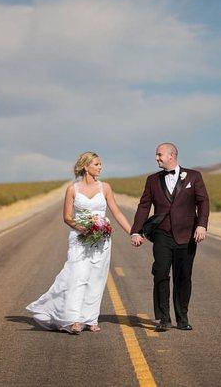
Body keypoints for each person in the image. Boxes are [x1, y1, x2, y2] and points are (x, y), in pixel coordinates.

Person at [26, 152, 132, 334]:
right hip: (79, 239)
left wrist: (133, 232)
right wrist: (83, 228)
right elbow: (67, 217)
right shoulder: (72, 189)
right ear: (86, 166)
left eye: (100, 164)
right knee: (77, 276)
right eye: (97, 164)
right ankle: (73, 319)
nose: (100, 167)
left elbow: (117, 213)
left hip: (101, 240)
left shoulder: (105, 187)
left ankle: (90, 319)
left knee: (96, 278)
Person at [131, 143, 210, 332]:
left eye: (159, 155)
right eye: (157, 155)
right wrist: (136, 231)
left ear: (171, 155)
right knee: (160, 274)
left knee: (183, 277)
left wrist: (201, 225)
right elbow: (144, 206)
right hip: (162, 234)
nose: (157, 158)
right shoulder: (152, 180)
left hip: (187, 234)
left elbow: (203, 201)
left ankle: (182, 319)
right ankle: (164, 318)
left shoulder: (193, 176)